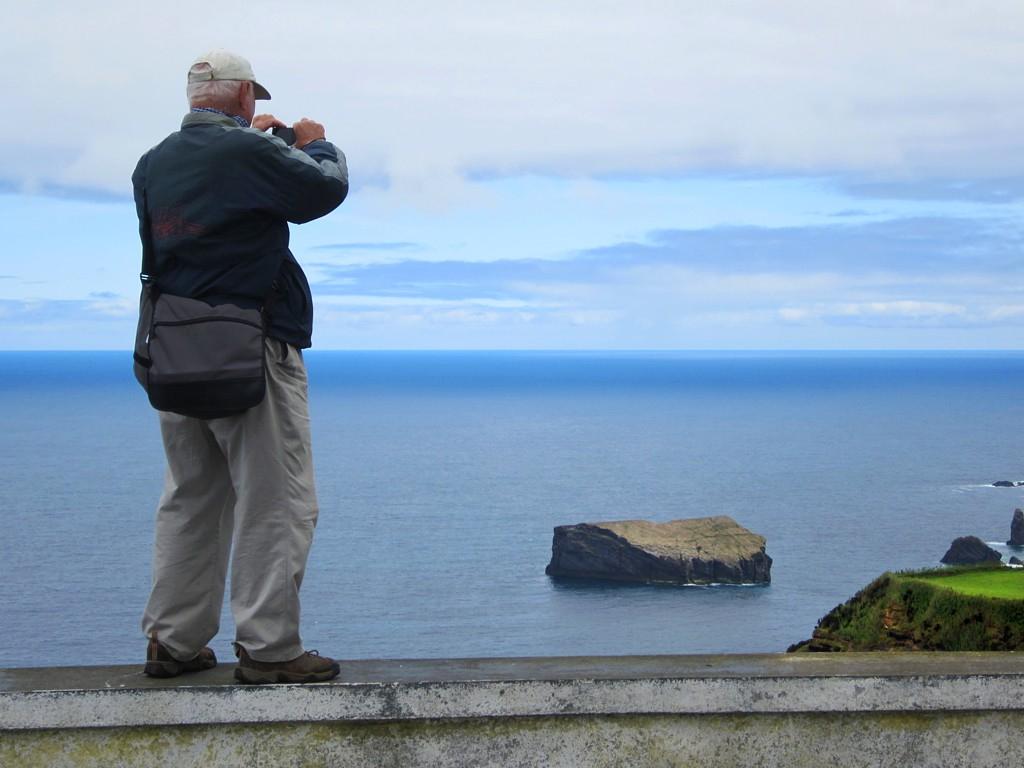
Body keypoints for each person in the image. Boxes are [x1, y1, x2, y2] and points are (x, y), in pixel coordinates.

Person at [132, 50, 349, 684]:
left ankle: (172, 642)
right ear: (242, 96)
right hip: (249, 345)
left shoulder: (153, 163)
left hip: (176, 347)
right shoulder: (250, 152)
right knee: (278, 501)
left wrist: (261, 148)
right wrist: (316, 143)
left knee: (191, 497)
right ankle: (270, 649)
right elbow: (322, 190)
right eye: (253, 96)